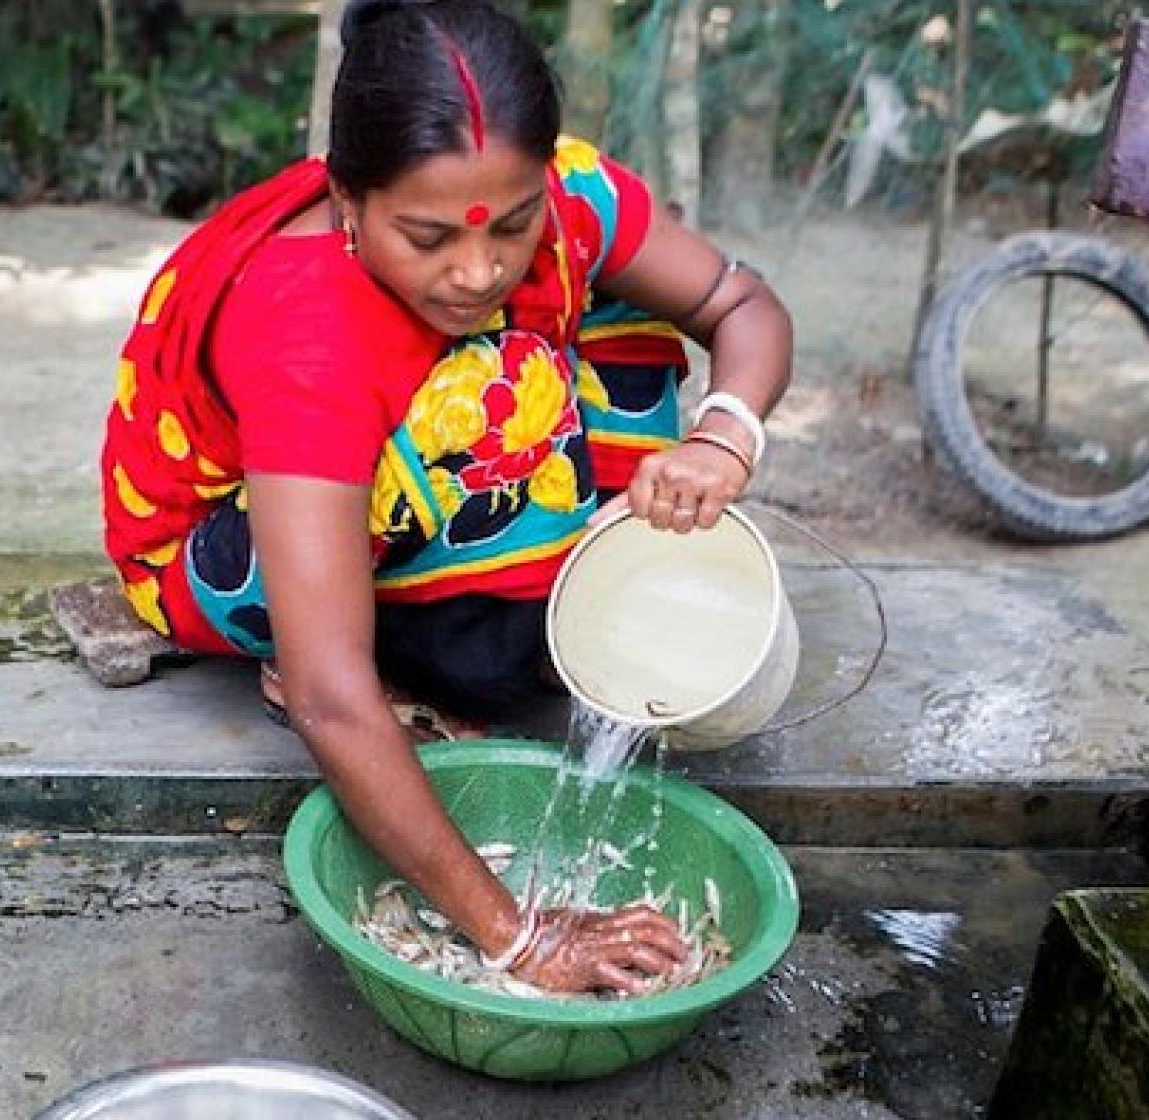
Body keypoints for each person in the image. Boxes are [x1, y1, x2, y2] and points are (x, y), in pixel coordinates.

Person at [98, 0, 792, 994]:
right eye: (426, 237)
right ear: (347, 199)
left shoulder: (567, 195)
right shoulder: (306, 333)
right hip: (228, 549)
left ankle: (513, 573)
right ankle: (411, 624)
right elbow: (334, 697)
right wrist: (517, 936)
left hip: (372, 468)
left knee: (625, 313)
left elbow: (740, 302)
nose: (477, 269)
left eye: (513, 225)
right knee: (462, 435)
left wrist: (725, 434)